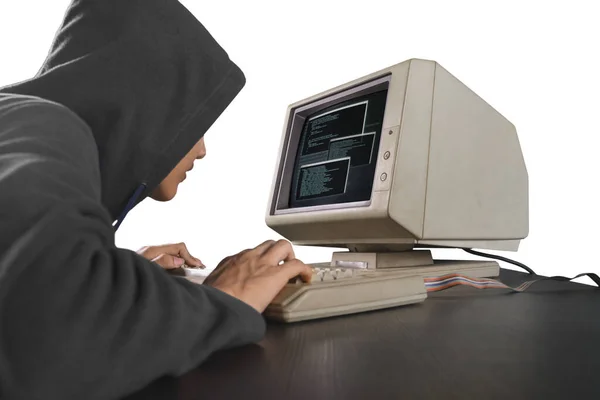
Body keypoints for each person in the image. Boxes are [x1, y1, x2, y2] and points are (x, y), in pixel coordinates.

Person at [0, 1, 312, 399]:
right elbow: (56, 333)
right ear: (146, 98)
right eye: (195, 122)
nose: (201, 150)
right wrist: (222, 297)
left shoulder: (18, 122)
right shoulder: (45, 125)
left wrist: (113, 268)